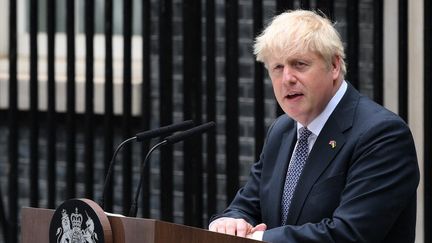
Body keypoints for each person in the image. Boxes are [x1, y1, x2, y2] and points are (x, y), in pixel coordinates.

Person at [209, 9, 419, 243]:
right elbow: (248, 205)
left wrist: (259, 238)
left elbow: (350, 234)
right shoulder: (282, 130)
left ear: (334, 66)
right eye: (278, 68)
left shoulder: (382, 134)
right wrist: (230, 222)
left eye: (299, 64)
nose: (287, 78)